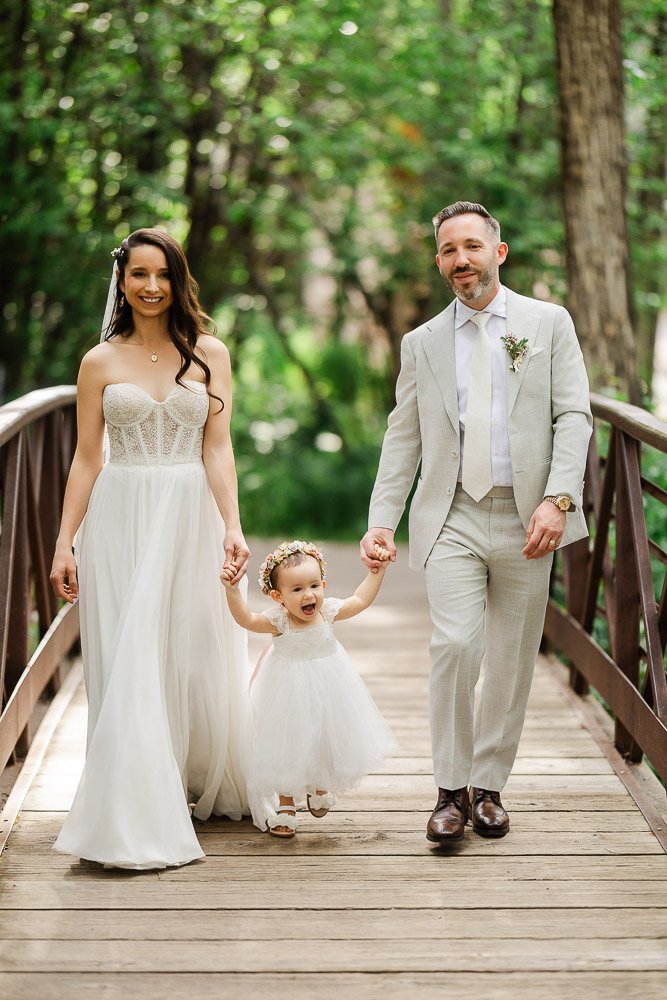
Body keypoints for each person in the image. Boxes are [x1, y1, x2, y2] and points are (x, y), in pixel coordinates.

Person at [360, 201, 592, 842]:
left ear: (499, 251)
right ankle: (448, 791)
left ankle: (488, 787)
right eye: (447, 250)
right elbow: (402, 435)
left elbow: (574, 416)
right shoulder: (422, 343)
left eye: (471, 246)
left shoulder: (549, 323)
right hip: (452, 515)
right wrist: (383, 519)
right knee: (456, 645)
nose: (460, 260)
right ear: (439, 263)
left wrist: (558, 498)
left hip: (529, 517)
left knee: (513, 657)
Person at [49, 228, 251, 869]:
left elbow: (218, 449)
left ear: (179, 278)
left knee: (187, 646)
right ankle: (131, 806)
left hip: (190, 511)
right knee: (130, 652)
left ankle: (185, 777)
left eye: (162, 273)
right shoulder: (99, 362)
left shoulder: (209, 352)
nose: (152, 286)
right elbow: (86, 459)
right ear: (122, 281)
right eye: (139, 274)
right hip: (123, 517)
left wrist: (233, 526)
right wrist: (65, 544)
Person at [221, 540, 398, 837]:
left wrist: (377, 573)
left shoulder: (326, 612)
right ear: (278, 596)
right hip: (287, 693)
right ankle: (287, 803)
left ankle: (319, 786)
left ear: (323, 584)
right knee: (287, 743)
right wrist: (232, 591)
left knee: (325, 735)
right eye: (297, 589)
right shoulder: (279, 621)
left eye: (314, 585)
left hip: (329, 686)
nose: (309, 595)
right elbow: (247, 620)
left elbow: (360, 599)